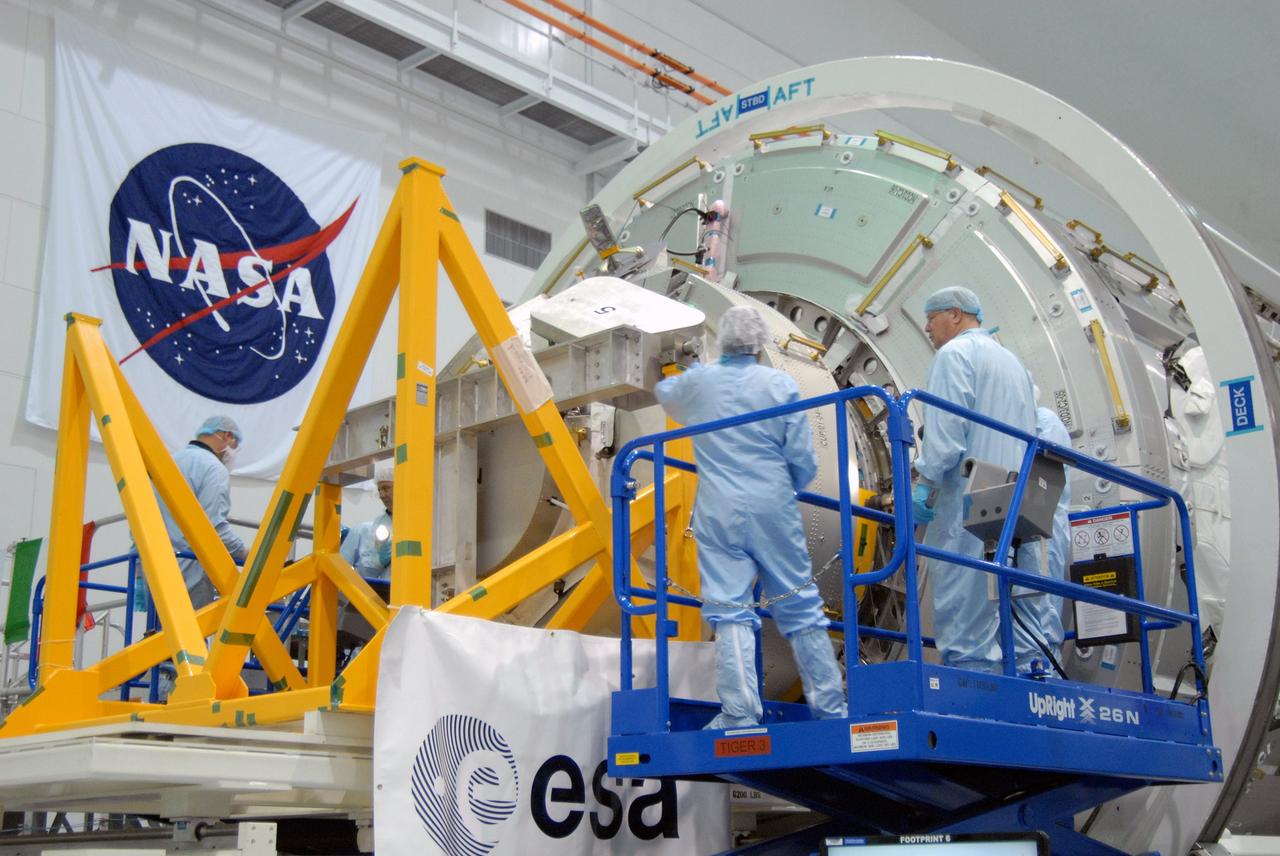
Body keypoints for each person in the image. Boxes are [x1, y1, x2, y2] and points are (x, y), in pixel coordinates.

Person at [655, 305, 846, 729]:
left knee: (730, 609)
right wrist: (784, 484)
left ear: (723, 341)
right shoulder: (780, 384)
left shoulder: (702, 383)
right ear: (760, 344)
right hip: (773, 506)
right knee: (801, 608)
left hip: (718, 510)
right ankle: (831, 711)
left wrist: (695, 368)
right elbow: (803, 460)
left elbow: (666, 394)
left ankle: (740, 713)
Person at [912, 287, 1044, 673]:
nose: (927, 328)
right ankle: (1029, 692)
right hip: (1019, 496)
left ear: (955, 314)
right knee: (1017, 614)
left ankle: (974, 697)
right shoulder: (1013, 363)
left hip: (972, 498)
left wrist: (925, 485)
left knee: (966, 621)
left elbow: (945, 434)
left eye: (931, 319)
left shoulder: (954, 355)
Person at [149, 415, 247, 610]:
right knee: (193, 627)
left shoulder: (169, 462)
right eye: (235, 446)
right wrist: (244, 553)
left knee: (159, 627)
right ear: (227, 436)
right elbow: (214, 528)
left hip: (154, 565)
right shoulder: (214, 469)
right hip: (190, 569)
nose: (233, 453)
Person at [341, 461, 394, 581]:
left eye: (386, 488)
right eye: (379, 490)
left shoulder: (421, 522)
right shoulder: (370, 528)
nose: (382, 495)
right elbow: (365, 571)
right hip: (383, 590)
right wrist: (378, 561)